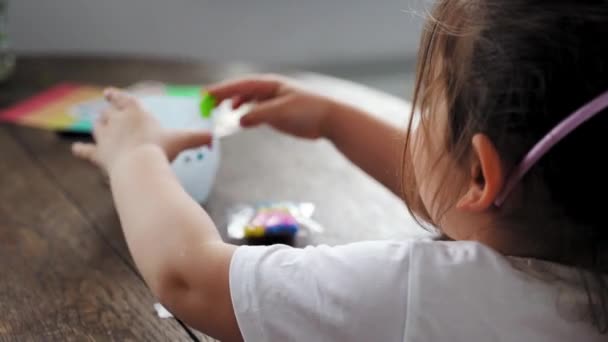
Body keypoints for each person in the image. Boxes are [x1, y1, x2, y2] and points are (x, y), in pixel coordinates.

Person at [72, 0, 608, 340]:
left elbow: (189, 278)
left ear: (481, 176)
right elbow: (468, 206)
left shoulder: (426, 292)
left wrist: (133, 156)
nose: (414, 125)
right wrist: (333, 118)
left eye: (425, 111)